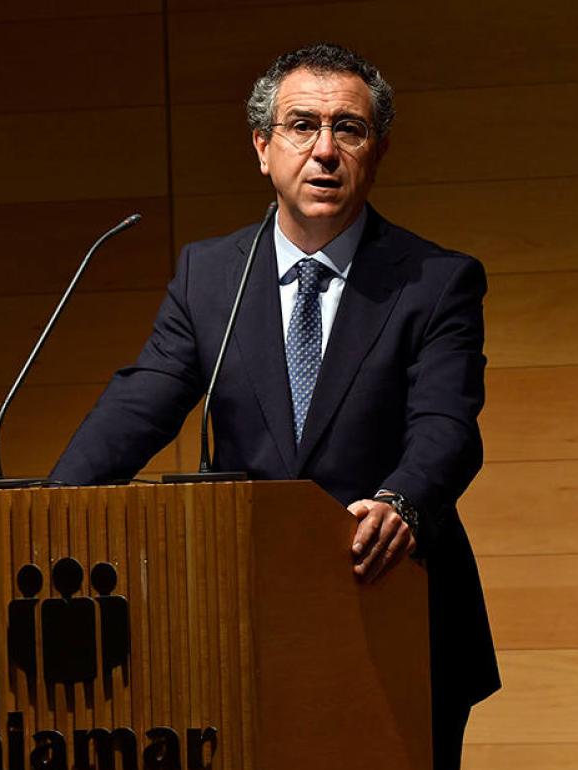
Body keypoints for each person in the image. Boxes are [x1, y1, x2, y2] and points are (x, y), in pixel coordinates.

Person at [50, 42, 499, 769]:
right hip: (243, 618)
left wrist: (403, 502)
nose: (324, 150)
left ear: (376, 150)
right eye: (301, 126)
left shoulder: (435, 281)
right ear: (263, 147)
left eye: (347, 129)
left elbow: (447, 426)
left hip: (391, 606)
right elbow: (141, 404)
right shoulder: (209, 276)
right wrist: (50, 505)